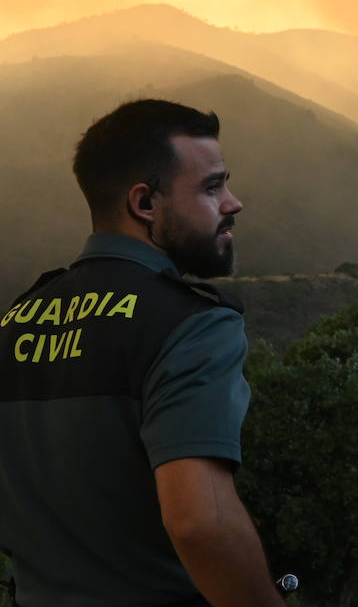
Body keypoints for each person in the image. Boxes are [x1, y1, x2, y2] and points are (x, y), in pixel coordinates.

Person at [0, 99, 286, 606]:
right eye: (212, 187)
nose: (233, 203)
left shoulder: (13, 322)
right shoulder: (193, 326)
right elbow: (202, 522)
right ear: (145, 204)